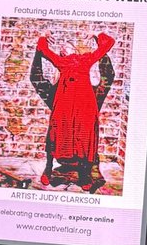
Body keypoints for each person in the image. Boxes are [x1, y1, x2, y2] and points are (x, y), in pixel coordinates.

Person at [31, 32, 115, 191]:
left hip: (84, 106)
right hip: (65, 106)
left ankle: (84, 175)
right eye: (62, 48)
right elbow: (42, 52)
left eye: (67, 46)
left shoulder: (86, 59)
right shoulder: (60, 62)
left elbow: (108, 47)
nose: (64, 48)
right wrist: (43, 37)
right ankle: (48, 169)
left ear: (75, 50)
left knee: (84, 137)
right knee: (56, 133)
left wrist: (97, 37)